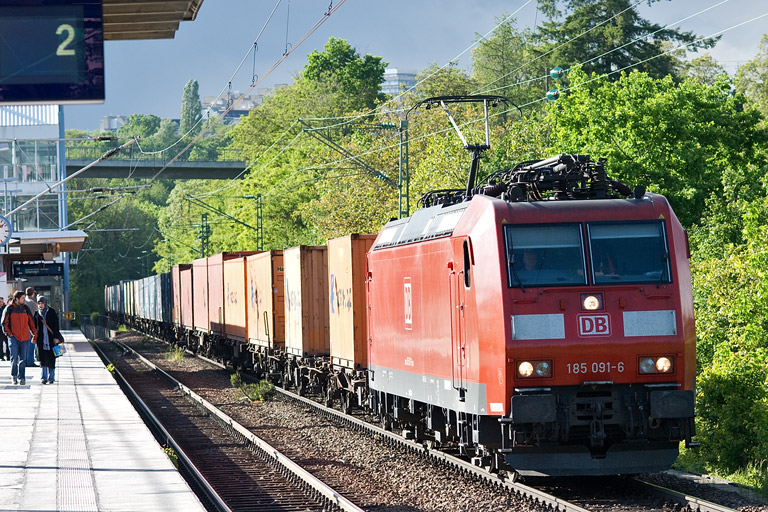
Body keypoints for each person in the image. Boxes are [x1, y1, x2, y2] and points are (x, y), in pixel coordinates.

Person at [3, 290, 37, 385]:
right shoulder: (9, 309)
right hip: (13, 338)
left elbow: (31, 322)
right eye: (22, 298)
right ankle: (14, 376)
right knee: (14, 359)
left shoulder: (26, 308)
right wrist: (10, 334)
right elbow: (4, 323)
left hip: (25, 338)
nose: (24, 300)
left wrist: (34, 334)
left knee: (23, 360)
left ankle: (22, 377)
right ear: (17, 299)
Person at [34, 296, 61, 385]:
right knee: (42, 359)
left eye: (42, 303)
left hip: (51, 339)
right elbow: (34, 327)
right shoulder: (37, 314)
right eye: (39, 303)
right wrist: (34, 336)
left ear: (45, 303)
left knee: (52, 358)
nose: (40, 305)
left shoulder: (52, 312)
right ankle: (44, 378)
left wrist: (56, 337)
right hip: (41, 340)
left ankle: (51, 377)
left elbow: (56, 326)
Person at [24, 287, 38, 366]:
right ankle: (30, 361)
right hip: (31, 325)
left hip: (23, 326)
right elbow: (36, 315)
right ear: (33, 293)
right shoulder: (32, 303)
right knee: (31, 344)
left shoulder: (24, 301)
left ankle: (25, 360)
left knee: (25, 345)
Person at [0, 296, 8, 361]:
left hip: (4, 327)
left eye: (2, 302)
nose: (1, 303)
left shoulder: (5, 308)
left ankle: (8, 355)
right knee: (0, 343)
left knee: (7, 342)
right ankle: (1, 356)